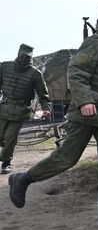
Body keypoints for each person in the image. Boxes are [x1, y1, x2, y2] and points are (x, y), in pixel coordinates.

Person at [9, 9, 98, 229]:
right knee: (67, 157)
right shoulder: (97, 42)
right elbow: (77, 71)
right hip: (87, 111)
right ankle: (22, 179)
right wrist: (85, 101)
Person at [0, 44, 51, 174]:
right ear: (18, 54)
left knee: (11, 138)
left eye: (27, 57)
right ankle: (5, 151)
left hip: (20, 111)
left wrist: (46, 108)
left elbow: (43, 95)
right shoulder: (5, 67)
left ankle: (6, 162)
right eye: (22, 55)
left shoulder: (35, 74)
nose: (24, 59)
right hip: (3, 108)